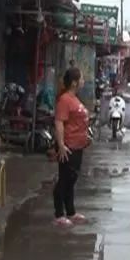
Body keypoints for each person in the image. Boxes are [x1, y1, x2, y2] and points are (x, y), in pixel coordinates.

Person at [53, 67, 90, 227]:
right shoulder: (65, 99)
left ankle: (71, 211)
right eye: (81, 79)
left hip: (78, 145)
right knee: (65, 179)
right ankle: (59, 214)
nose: (83, 81)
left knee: (72, 179)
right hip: (68, 145)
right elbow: (59, 122)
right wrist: (61, 145)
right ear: (74, 83)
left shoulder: (75, 98)